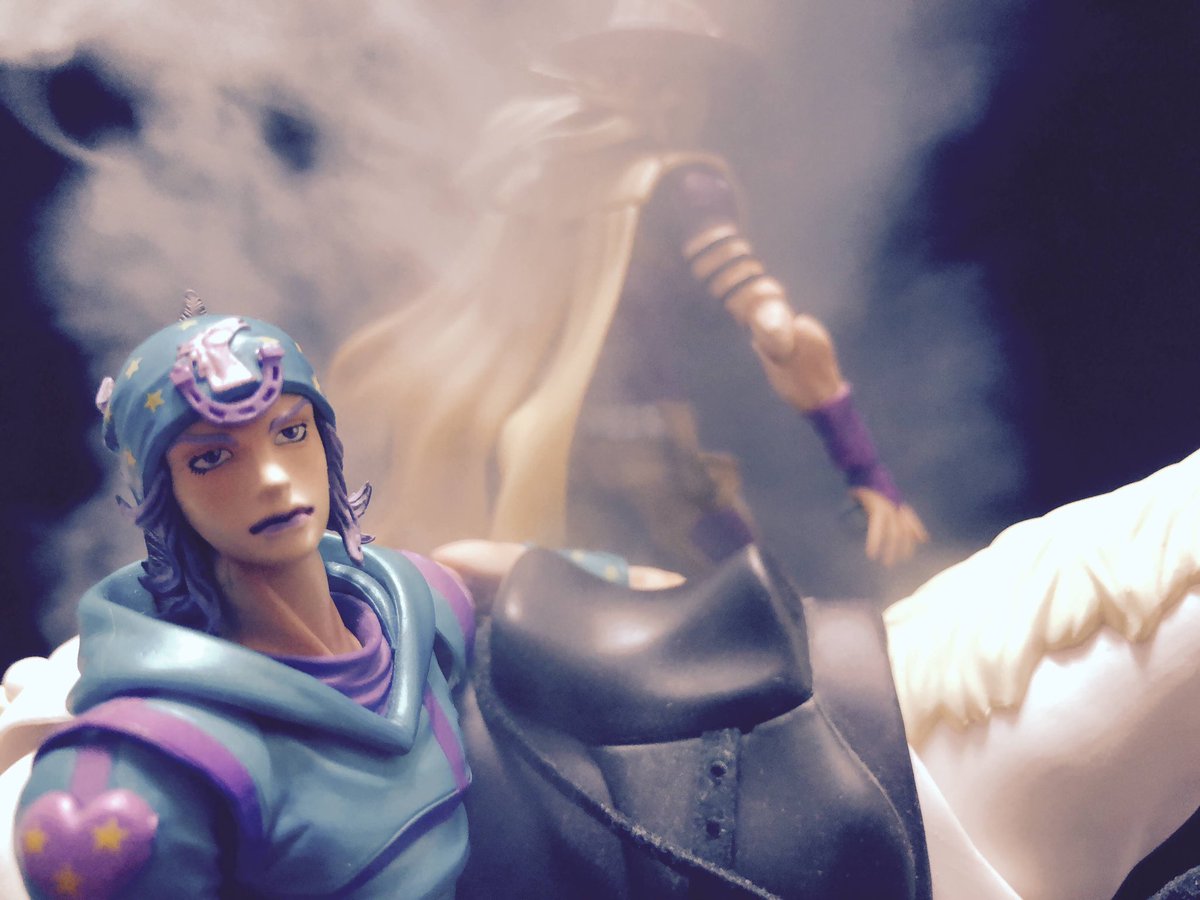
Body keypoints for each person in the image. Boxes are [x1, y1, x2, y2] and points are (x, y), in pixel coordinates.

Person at [327, 0, 927, 575]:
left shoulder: (668, 182)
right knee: (725, 581)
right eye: (627, 70)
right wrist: (863, 467)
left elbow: (750, 293)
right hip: (606, 429)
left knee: (677, 565)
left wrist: (856, 455)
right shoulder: (577, 176)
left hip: (587, 427)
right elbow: (765, 315)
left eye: (664, 75)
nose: (644, 88)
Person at [10, 301, 474, 899]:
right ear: (165, 493)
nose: (273, 477)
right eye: (211, 458)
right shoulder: (149, 774)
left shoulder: (422, 607)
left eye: (291, 432)